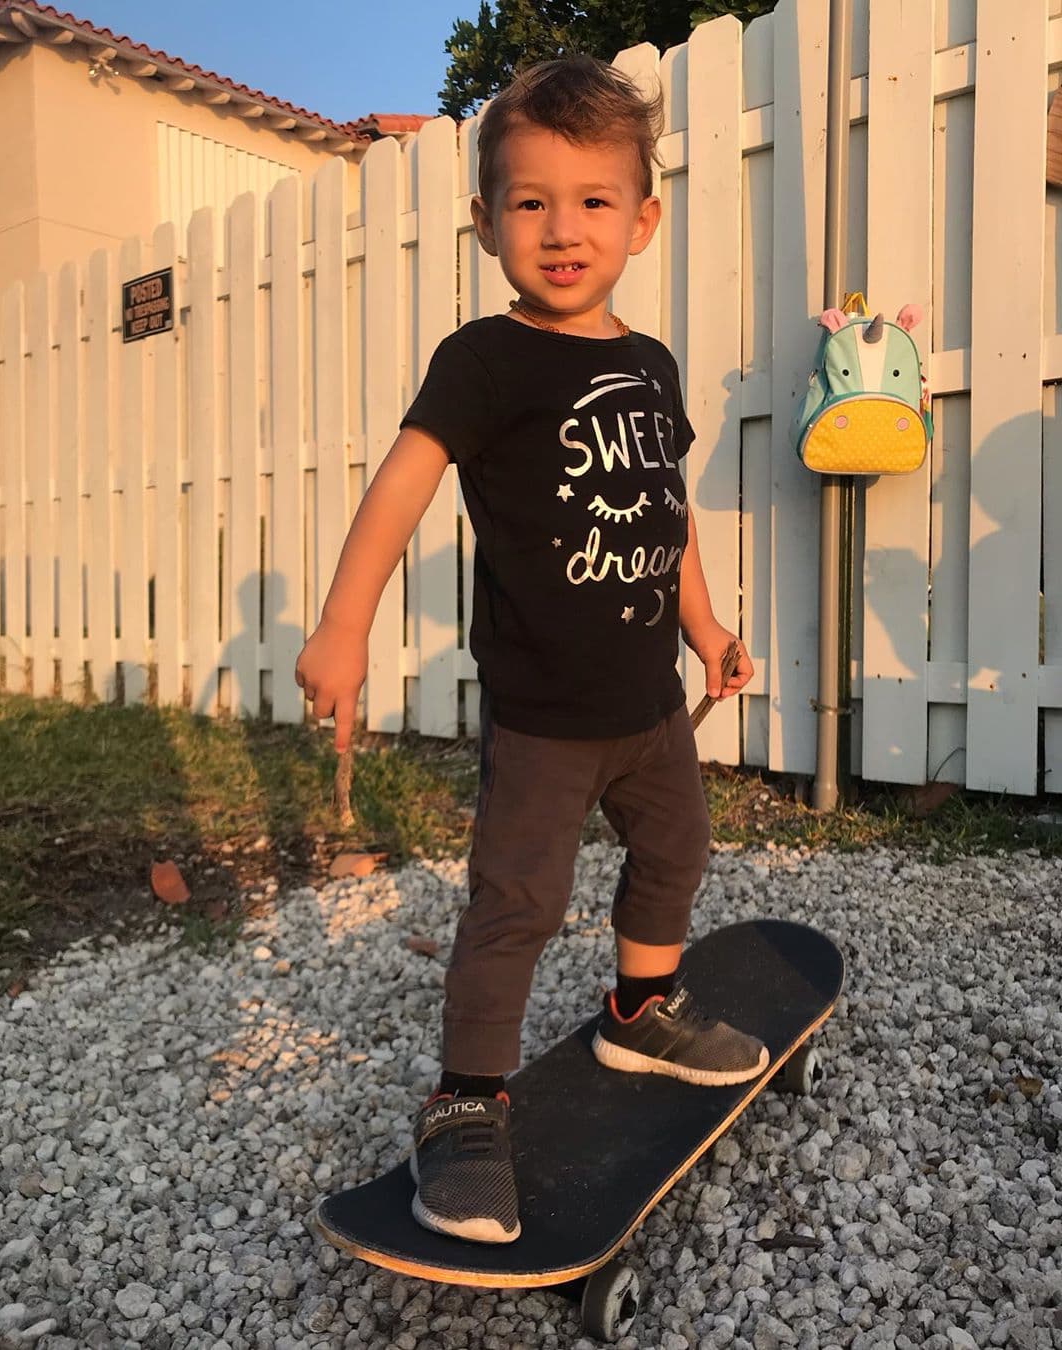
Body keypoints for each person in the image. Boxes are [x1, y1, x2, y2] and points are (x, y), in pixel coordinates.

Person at [295, 53, 768, 1247]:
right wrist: (344, 626)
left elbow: (663, 510)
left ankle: (641, 1011)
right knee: (517, 907)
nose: (565, 230)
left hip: (647, 705)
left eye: (594, 200)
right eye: (531, 202)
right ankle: (463, 1108)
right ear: (486, 220)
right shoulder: (485, 359)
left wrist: (704, 624)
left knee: (677, 850)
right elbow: (401, 488)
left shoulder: (650, 366)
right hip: (546, 719)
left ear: (642, 219)